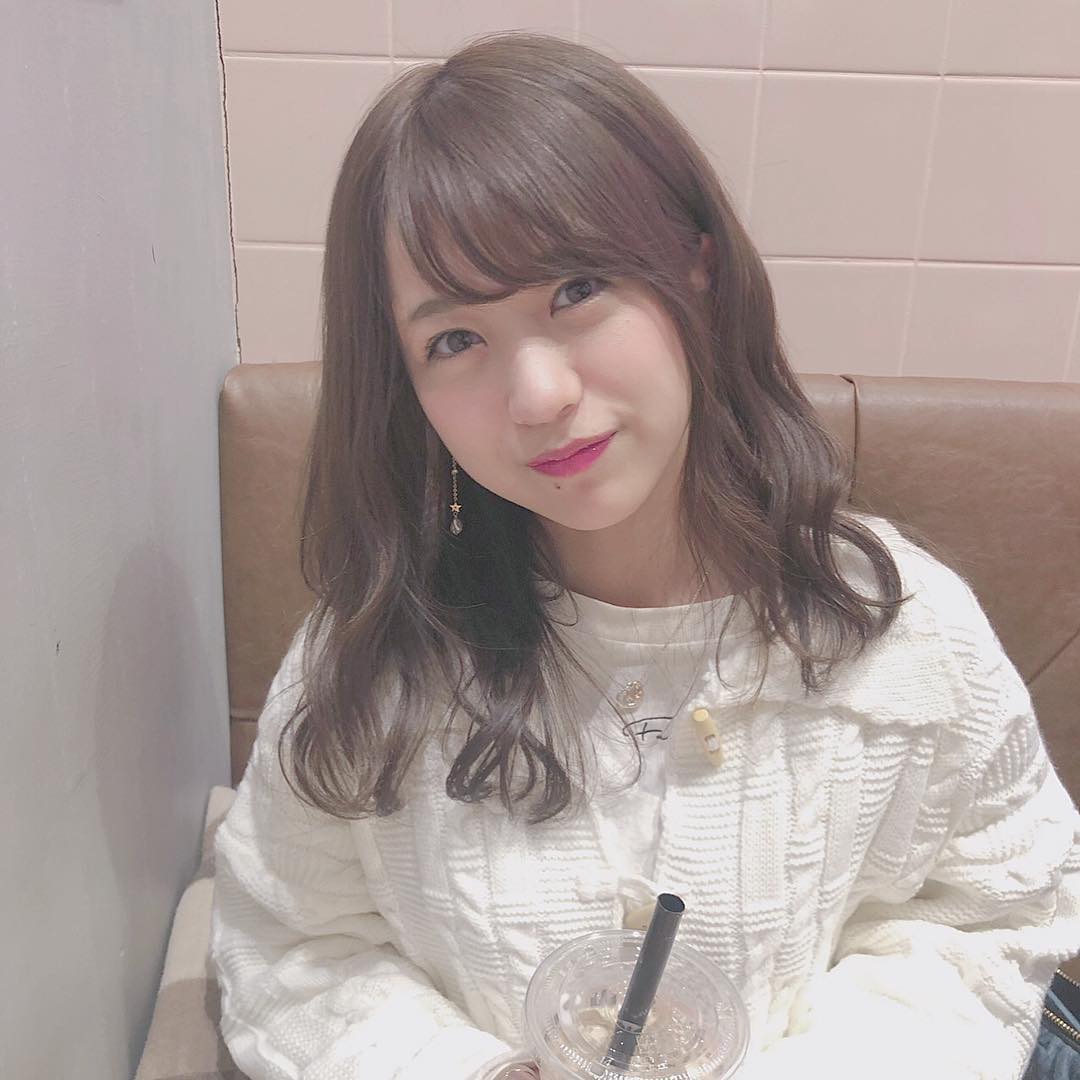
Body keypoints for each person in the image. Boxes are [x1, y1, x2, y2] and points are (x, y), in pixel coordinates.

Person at [210, 30, 1080, 1080]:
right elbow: (291, 945)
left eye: (576, 289)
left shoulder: (903, 637)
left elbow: (991, 918)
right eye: (455, 341)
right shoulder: (371, 659)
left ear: (694, 268)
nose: (539, 396)